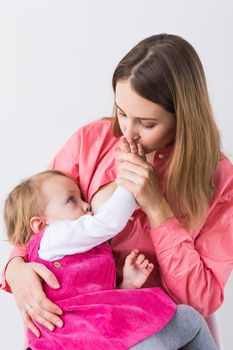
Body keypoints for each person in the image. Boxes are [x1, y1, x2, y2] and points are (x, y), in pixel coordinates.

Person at [1, 33, 233, 348]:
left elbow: (200, 299)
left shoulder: (219, 179)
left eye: (147, 124)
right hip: (78, 322)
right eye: (122, 112)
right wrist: (15, 268)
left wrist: (157, 208)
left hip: (153, 317)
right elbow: (33, 216)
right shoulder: (90, 142)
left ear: (184, 119)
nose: (127, 130)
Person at [4, 169, 216, 349]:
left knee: (189, 319)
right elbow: (107, 223)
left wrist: (128, 285)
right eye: (72, 200)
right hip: (75, 341)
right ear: (41, 225)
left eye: (82, 197)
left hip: (105, 332)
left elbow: (100, 302)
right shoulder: (51, 239)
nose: (86, 205)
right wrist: (131, 185)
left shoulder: (87, 250)